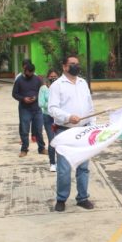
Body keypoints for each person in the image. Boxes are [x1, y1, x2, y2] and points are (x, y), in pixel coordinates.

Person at [48, 54, 95, 212]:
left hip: (83, 131)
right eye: (72, 64)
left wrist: (92, 127)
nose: (76, 66)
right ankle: (61, 198)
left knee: (83, 167)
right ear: (64, 66)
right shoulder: (57, 85)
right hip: (65, 132)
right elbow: (52, 109)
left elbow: (90, 106)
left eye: (77, 64)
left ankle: (82, 197)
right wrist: (68, 117)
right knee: (64, 169)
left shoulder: (83, 83)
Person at [12, 62, 47, 157]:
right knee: (24, 130)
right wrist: (23, 99)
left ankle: (42, 148)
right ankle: (24, 149)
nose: (30, 74)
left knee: (39, 129)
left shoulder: (37, 79)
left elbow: (42, 91)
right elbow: (14, 94)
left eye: (32, 72)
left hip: (37, 109)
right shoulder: (19, 80)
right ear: (25, 70)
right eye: (28, 72)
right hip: (25, 109)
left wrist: (36, 97)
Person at [38, 69, 59, 172]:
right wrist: (52, 105)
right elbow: (41, 103)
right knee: (52, 140)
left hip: (59, 118)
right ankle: (52, 163)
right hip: (48, 117)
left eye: (55, 76)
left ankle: (61, 162)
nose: (53, 78)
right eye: (51, 76)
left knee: (61, 140)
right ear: (48, 77)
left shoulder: (61, 87)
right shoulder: (43, 88)